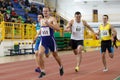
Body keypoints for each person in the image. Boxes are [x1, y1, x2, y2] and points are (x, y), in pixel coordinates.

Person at [38, 7, 64, 78]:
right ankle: (42, 71)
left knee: (55, 55)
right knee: (40, 54)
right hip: (43, 40)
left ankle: (61, 66)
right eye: (44, 11)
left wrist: (49, 24)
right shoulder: (41, 20)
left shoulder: (52, 19)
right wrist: (37, 35)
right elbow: (41, 29)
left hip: (51, 40)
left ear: (49, 12)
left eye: (46, 11)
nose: (45, 13)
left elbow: (58, 29)